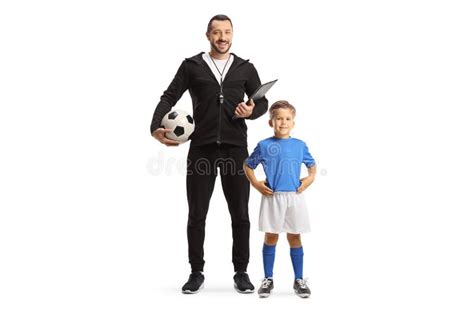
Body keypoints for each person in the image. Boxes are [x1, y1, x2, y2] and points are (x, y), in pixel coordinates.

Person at [150, 14, 268, 294]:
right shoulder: (191, 66)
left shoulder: (245, 68)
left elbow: (262, 102)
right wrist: (155, 126)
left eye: (227, 32)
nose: (222, 37)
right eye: (216, 32)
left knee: (240, 214)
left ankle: (241, 272)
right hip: (201, 149)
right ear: (208, 36)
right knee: (197, 214)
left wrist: (252, 112)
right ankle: (196, 272)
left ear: (233, 34)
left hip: (236, 150)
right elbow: (169, 96)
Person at [244, 100, 316, 298]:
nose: (283, 122)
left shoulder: (300, 145)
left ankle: (299, 280)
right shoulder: (264, 145)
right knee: (271, 237)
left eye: (287, 119)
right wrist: (256, 184)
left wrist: (309, 179)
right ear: (271, 122)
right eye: (278, 119)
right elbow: (248, 165)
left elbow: (312, 166)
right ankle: (268, 279)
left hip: (295, 197)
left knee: (294, 236)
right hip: (272, 197)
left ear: (293, 122)